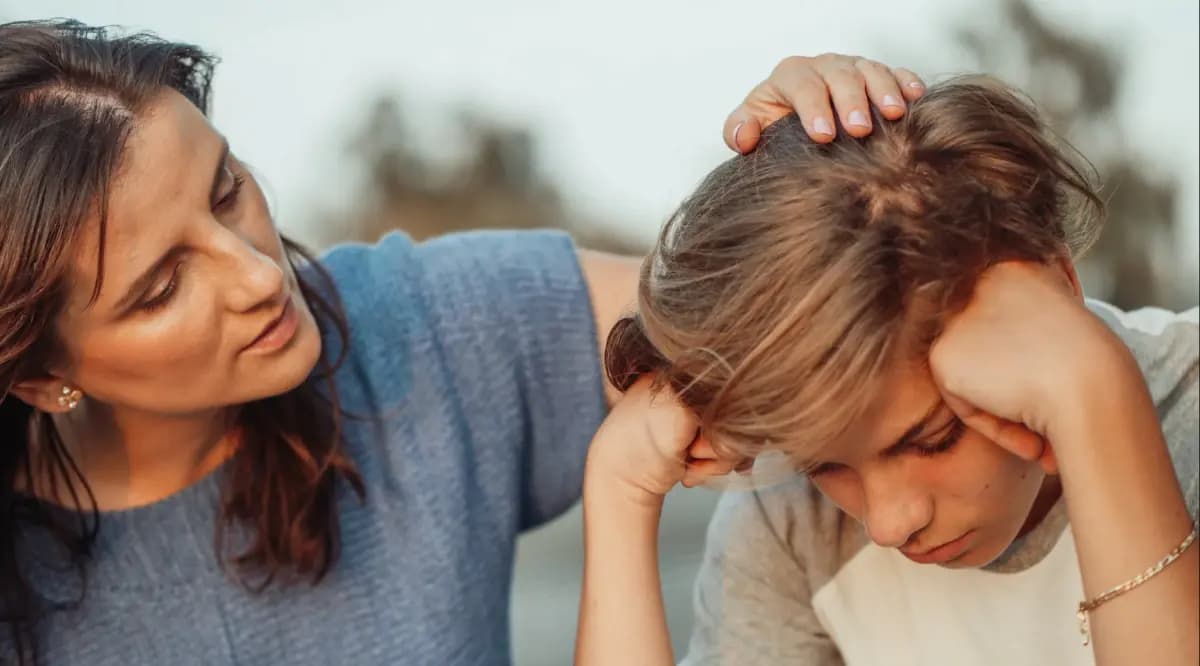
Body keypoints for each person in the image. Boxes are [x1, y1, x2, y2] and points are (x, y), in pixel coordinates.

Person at [0, 17, 927, 666]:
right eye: (162, 288)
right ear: (43, 378)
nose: (257, 276)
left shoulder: (429, 326)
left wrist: (825, 170)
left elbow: (789, 312)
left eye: (226, 190)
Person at [576, 76, 1199, 666]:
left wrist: (1094, 395)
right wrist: (618, 492)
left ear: (1059, 290)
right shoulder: (792, 526)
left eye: (931, 439)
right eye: (824, 464)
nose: (887, 522)